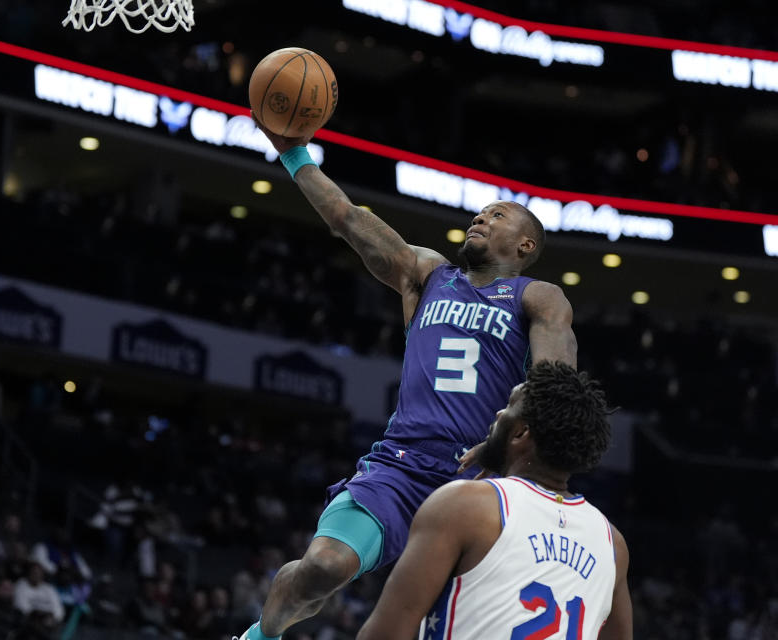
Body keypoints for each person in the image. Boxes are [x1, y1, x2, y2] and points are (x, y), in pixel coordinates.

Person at [239, 119, 578, 640]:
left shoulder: (539, 296)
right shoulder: (427, 274)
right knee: (323, 567)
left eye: (498, 215)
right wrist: (293, 155)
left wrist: (498, 442)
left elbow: (552, 384)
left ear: (526, 244)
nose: (481, 217)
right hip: (402, 464)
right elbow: (348, 220)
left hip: (480, 482)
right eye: (481, 212)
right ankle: (259, 635)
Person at [357, 362, 632, 640]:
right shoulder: (612, 543)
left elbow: (384, 634)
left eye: (508, 407)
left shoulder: (467, 505)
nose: (498, 413)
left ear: (521, 433)